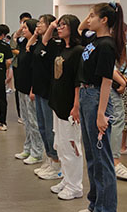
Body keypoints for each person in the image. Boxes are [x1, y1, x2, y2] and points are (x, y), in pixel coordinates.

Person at [75, 1, 125, 212]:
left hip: (96, 97)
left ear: (104, 20)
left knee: (102, 158)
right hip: (87, 96)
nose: (89, 19)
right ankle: (95, 204)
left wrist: (101, 113)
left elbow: (106, 81)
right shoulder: (93, 40)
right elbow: (80, 29)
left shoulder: (106, 45)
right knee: (92, 157)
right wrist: (91, 15)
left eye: (93, 15)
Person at [42, 14, 85, 200]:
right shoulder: (61, 48)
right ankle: (67, 180)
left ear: (72, 27)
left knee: (71, 147)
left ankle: (75, 186)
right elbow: (44, 42)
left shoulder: (78, 51)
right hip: (57, 103)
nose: (59, 28)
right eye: (58, 25)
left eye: (63, 25)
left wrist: (76, 105)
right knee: (60, 145)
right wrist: (52, 26)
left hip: (69, 105)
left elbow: (78, 81)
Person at [28, 14, 61, 180]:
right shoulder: (40, 43)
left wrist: (52, 27)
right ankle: (49, 158)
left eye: (41, 23)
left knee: (49, 129)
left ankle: (56, 163)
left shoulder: (53, 45)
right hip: (39, 90)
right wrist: (35, 34)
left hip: (49, 92)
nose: (38, 25)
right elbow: (28, 48)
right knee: (42, 127)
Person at [14, 18, 45, 165]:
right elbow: (14, 39)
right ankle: (27, 148)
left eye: (26, 28)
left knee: (34, 122)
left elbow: (36, 70)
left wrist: (33, 89)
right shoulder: (24, 45)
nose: (23, 30)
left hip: (30, 89)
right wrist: (21, 30)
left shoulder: (36, 47)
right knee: (26, 121)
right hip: (21, 87)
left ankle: (37, 152)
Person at [109, 69, 127, 181]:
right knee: (117, 119)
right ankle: (114, 161)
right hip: (109, 83)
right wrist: (122, 81)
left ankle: (110, 160)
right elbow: (107, 65)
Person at [11, 12, 32, 124]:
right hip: (17, 64)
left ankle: (29, 113)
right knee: (18, 89)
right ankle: (21, 114)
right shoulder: (18, 34)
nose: (24, 25)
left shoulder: (32, 36)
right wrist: (22, 54)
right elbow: (12, 47)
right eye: (23, 22)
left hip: (27, 66)